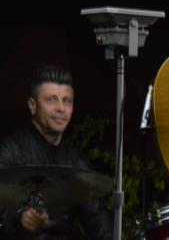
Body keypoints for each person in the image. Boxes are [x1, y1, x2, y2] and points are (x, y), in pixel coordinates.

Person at [0, 65, 112, 240]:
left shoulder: (75, 161)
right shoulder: (10, 150)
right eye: (52, 99)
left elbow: (95, 216)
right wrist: (19, 219)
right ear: (32, 105)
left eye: (67, 100)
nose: (61, 108)